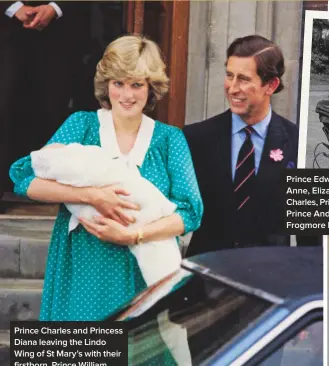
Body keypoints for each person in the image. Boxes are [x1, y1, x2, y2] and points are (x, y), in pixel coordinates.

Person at [9, 35, 203, 320]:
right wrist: (91, 196)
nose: (127, 95)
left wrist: (134, 235)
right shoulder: (81, 125)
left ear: (151, 87)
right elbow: (25, 179)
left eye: (137, 85)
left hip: (144, 269)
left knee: (139, 354)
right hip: (84, 265)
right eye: (118, 84)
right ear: (106, 85)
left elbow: (191, 213)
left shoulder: (169, 139)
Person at [183, 35, 300, 256]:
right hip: (208, 277)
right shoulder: (195, 137)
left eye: (244, 79)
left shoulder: (297, 141)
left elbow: (310, 232)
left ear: (271, 85)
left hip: (270, 280)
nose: (232, 88)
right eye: (229, 76)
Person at [0, 1, 89, 198]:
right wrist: (12, 6)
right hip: (5, 31)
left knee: (53, 107)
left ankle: (52, 192)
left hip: (61, 34)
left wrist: (56, 7)